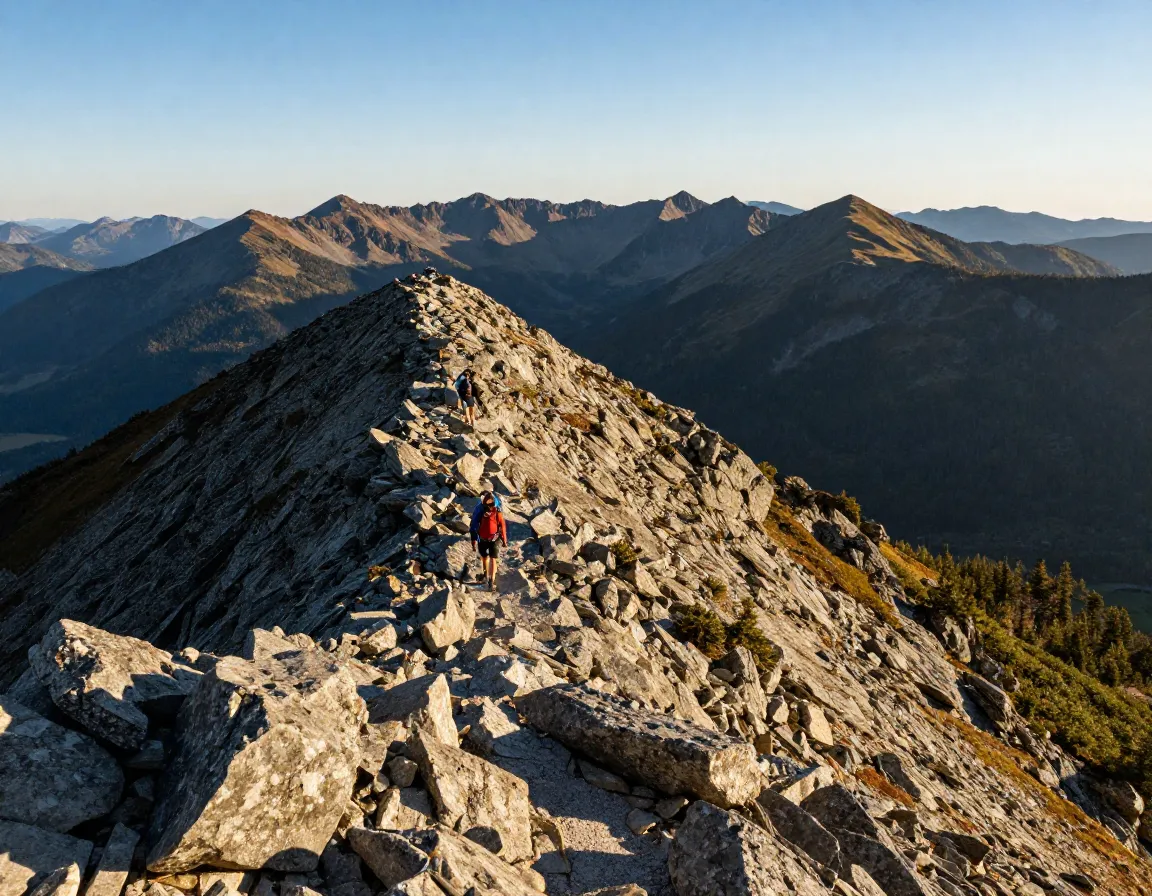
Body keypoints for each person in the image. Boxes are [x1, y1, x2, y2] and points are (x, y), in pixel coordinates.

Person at [470, 491, 508, 591]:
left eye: (491, 505)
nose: (490, 508)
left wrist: (504, 539)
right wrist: (473, 540)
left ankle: (490, 579)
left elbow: (502, 525)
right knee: (486, 557)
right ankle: (487, 574)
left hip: (492, 538)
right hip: (485, 537)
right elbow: (474, 525)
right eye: (488, 505)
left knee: (492, 558)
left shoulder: (496, 511)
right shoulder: (482, 510)